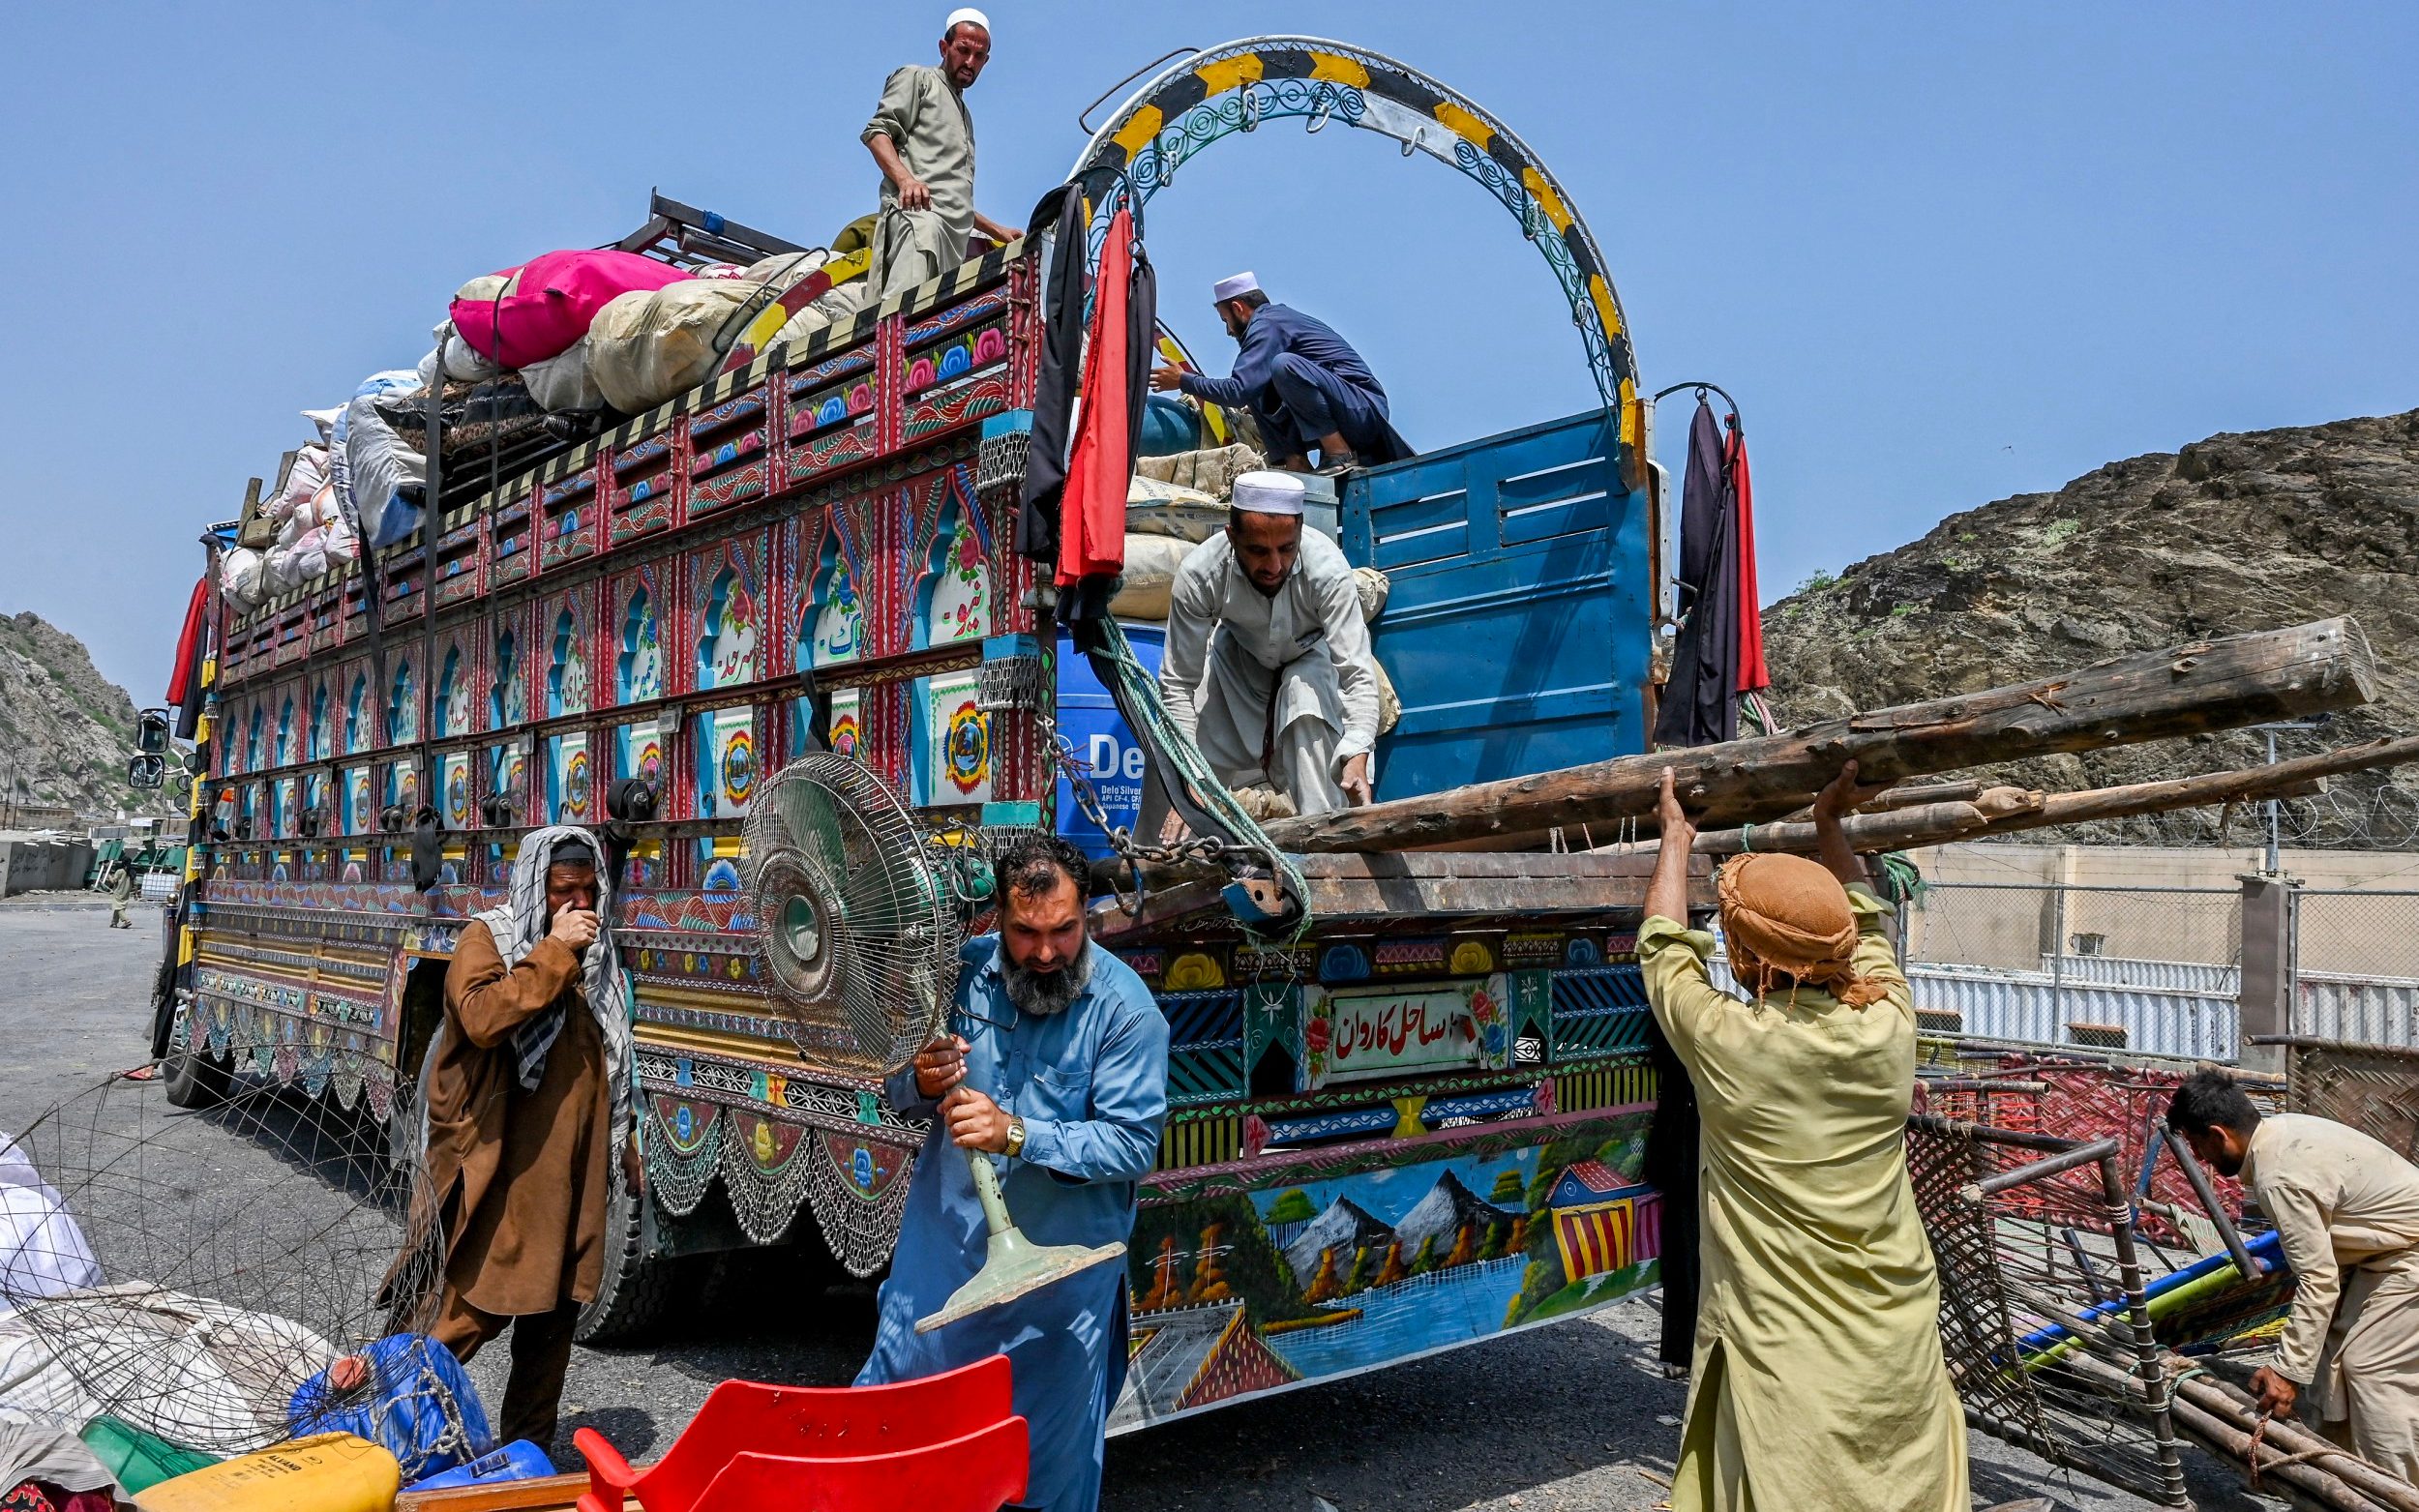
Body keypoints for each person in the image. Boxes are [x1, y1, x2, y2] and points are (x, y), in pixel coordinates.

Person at [1639, 760, 1968, 1512]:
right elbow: (1872, 917)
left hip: (1784, 1351)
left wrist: (1675, 837)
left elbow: (1661, 943)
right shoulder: (1890, 1024)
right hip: (1895, 1335)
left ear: (1747, 955)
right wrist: (1831, 825)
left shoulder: (1731, 1043)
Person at [857, 834, 1168, 1512]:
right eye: (1026, 932)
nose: (1048, 951)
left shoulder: (1125, 1009)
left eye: (1064, 929)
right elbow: (896, 1090)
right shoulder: (956, 975)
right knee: (892, 1460)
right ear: (996, 915)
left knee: (1036, 1482)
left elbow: (1134, 1143)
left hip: (1057, 1304)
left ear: (1088, 910)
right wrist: (919, 1075)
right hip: (941, 1277)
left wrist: (1017, 1131)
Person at [420, 829, 636, 1452]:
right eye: (563, 891)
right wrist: (553, 952)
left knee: (556, 1312)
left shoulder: (598, 957)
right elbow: (485, 1017)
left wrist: (625, 1145)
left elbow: (616, 1055)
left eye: (589, 891)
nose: (578, 905)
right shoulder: (488, 938)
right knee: (473, 1305)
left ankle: (528, 1449)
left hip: (570, 1171)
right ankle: (385, 1425)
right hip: (505, 1165)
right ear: (533, 886)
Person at [2166, 1070, 2419, 1480]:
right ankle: (2350, 1481)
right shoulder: (2283, 1132)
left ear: (2219, 1135)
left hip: (2409, 1253)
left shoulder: (2278, 1176)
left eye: (2198, 1146)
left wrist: (2285, 1371)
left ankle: (2396, 1493)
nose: (2201, 1159)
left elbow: (2319, 1280)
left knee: (2371, 1369)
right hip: (2387, 1254)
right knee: (2334, 1362)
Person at [1160, 471, 1381, 817]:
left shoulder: (1327, 571)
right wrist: (1189, 774)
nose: (1274, 565)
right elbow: (1177, 684)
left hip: (1312, 668)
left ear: (1300, 530)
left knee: (1304, 695)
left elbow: (1357, 674)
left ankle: (1324, 854)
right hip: (1235, 671)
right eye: (1259, 551)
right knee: (1170, 772)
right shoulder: (1200, 575)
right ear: (1232, 537)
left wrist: (1356, 749)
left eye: (1287, 548)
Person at [1150, 274, 1411, 472]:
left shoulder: (1267, 324)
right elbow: (1247, 390)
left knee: (1283, 366)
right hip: (1345, 408)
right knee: (1259, 386)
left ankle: (1339, 453)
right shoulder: (1273, 323)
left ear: (1238, 308)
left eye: (1225, 320)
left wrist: (1184, 380)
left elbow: (1237, 391)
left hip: (1361, 407)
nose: (1229, 331)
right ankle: (1296, 463)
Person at [862, 9, 1018, 304]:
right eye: (963, 50)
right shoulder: (918, 79)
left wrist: (996, 230)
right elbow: (877, 133)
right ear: (944, 48)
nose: (970, 62)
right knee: (906, 319)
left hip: (952, 248)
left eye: (979, 56)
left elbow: (949, 197)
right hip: (920, 228)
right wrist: (905, 179)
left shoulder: (964, 116)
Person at [103, 856, 134, 930]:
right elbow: (134, 884)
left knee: (118, 907)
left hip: (118, 892)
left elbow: (113, 881)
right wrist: (136, 894)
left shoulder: (120, 871)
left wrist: (109, 875)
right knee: (118, 907)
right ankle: (114, 922)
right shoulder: (131, 872)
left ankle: (126, 920)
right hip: (126, 893)